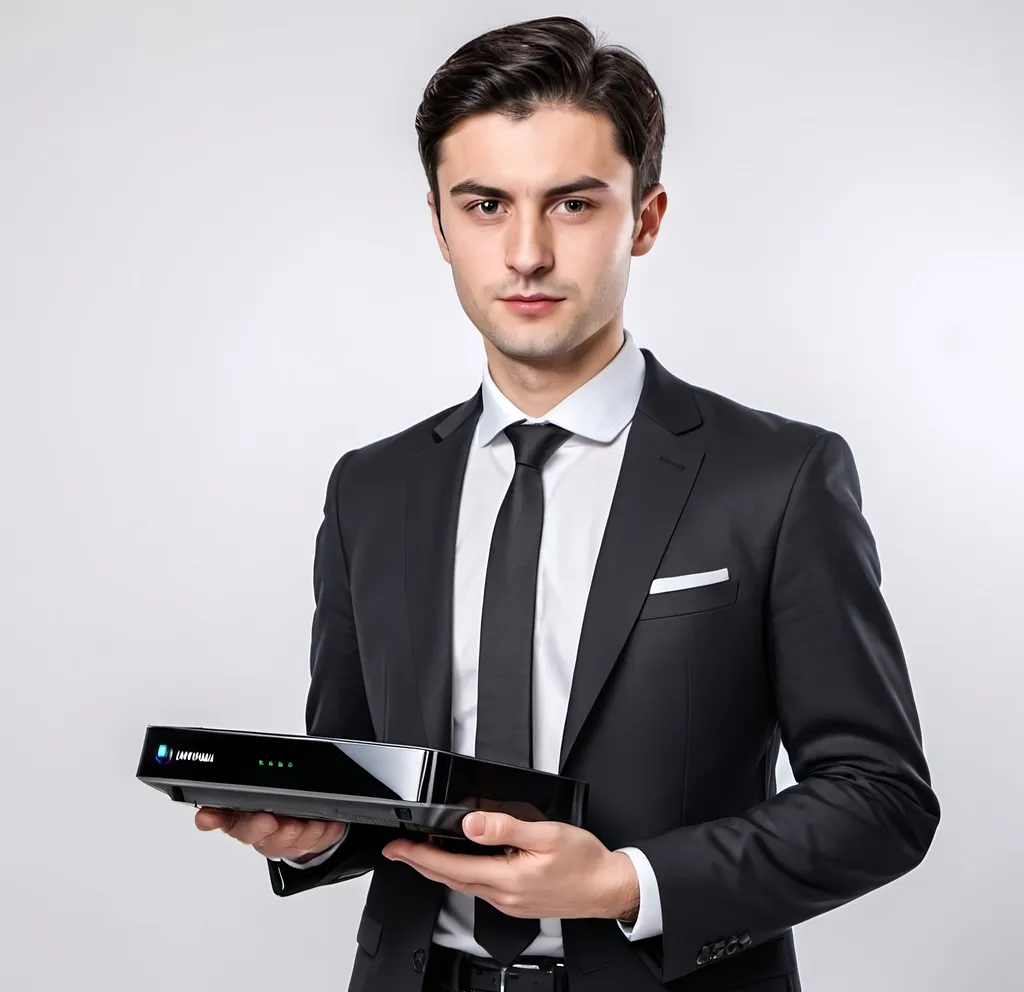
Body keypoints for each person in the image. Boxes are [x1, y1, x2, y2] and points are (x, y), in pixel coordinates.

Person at [195, 15, 939, 992]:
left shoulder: (778, 475)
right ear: (439, 223)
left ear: (646, 216)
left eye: (573, 203)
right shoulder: (371, 489)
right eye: (485, 204)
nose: (527, 252)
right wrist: (316, 831)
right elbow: (371, 779)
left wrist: (630, 881)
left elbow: (880, 797)